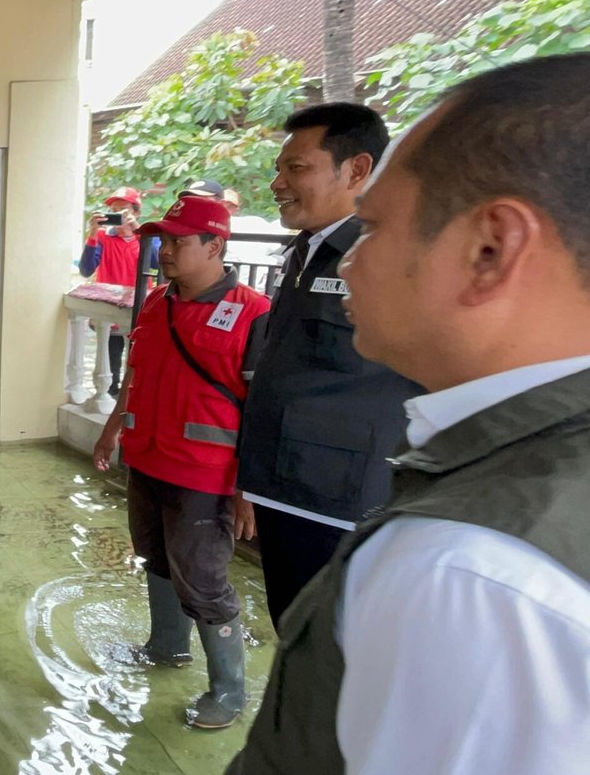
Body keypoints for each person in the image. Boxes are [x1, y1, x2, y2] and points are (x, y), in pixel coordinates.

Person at [229, 54, 590, 775]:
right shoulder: (511, 484)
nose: (354, 260)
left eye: (375, 228)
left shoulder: (471, 574)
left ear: (491, 249)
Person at [235, 103, 422, 623]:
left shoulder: (390, 256)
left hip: (340, 505)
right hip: (283, 488)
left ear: (357, 169)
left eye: (296, 168)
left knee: (335, 651)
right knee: (293, 629)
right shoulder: (306, 251)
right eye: (279, 167)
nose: (277, 183)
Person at [91, 197, 268, 729]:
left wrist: (247, 489)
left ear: (215, 246)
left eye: (177, 242)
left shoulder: (255, 313)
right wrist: (110, 430)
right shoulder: (156, 303)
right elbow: (136, 376)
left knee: (204, 579)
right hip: (147, 461)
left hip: (205, 475)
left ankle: (230, 693)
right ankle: (167, 647)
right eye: (161, 241)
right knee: (157, 558)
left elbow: (265, 409)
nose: (163, 252)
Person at [81, 187, 160, 395]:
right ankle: (112, 404)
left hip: (140, 312)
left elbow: (159, 264)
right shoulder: (102, 237)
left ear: (136, 213)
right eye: (113, 210)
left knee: (138, 365)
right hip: (111, 312)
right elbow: (86, 269)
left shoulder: (146, 237)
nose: (117, 215)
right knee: (111, 368)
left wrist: (139, 232)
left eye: (123, 210)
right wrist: (92, 233)